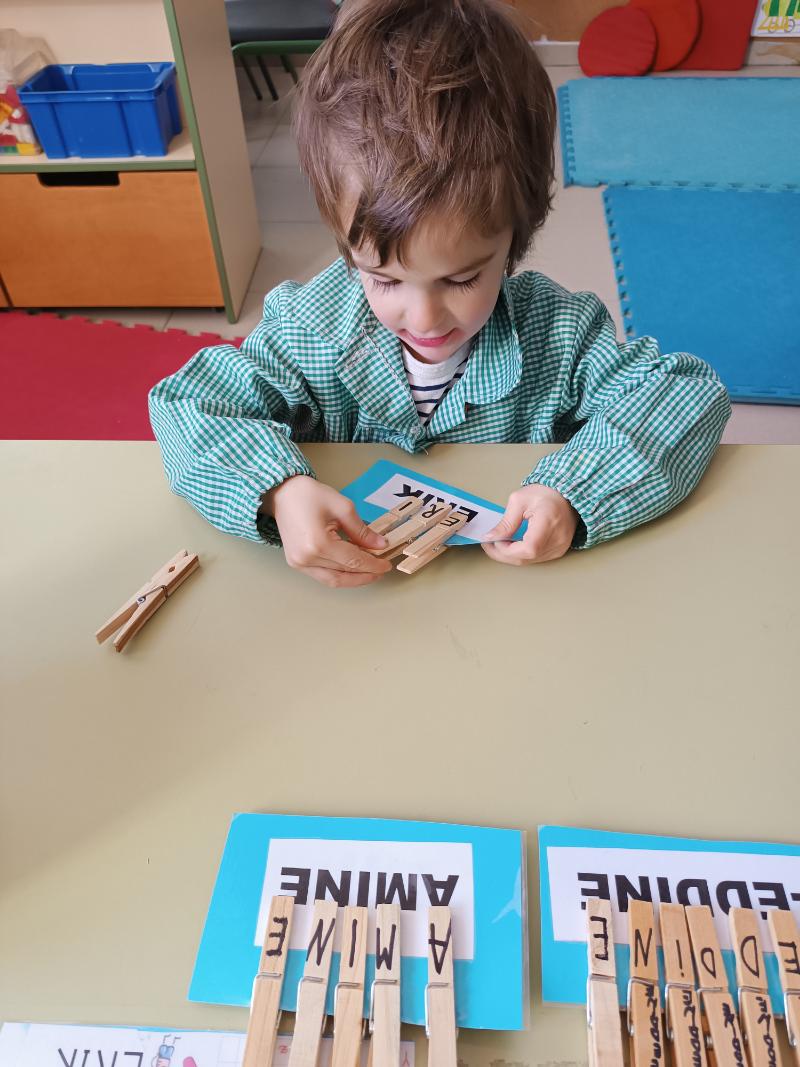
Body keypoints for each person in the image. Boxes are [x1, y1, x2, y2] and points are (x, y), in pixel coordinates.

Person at [149, 0, 730, 588]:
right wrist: (278, 490)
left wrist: (576, 494)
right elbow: (186, 406)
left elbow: (685, 395)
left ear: (515, 239)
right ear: (345, 246)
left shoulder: (560, 334)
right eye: (383, 279)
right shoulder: (311, 326)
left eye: (460, 279)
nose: (424, 317)